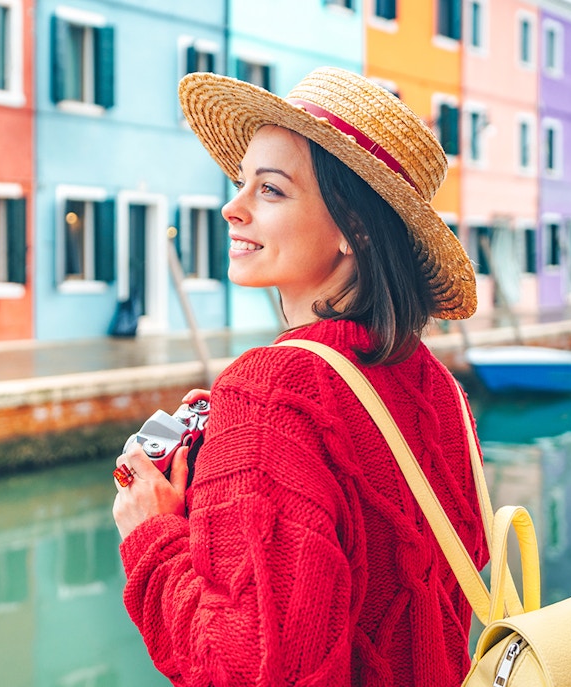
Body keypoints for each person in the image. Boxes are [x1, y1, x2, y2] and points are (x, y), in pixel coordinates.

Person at [110, 67, 488, 686]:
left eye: (272, 191)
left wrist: (151, 535)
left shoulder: (270, 393)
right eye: (240, 185)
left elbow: (254, 672)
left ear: (354, 226)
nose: (233, 209)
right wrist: (244, 452)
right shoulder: (440, 390)